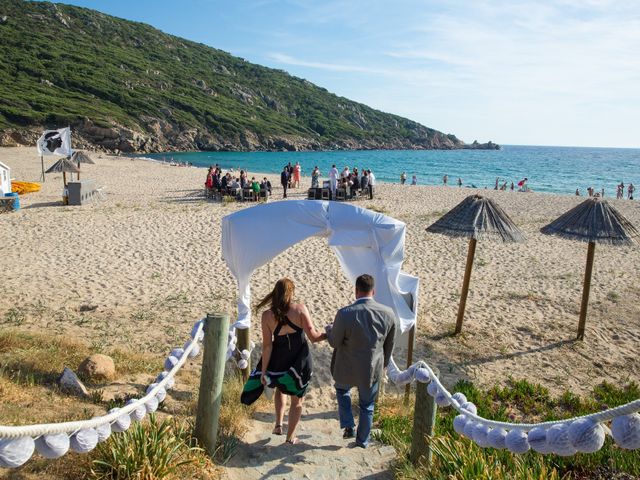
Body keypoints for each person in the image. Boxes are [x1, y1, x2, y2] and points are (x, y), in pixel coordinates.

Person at [241, 278, 326, 444]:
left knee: (281, 388)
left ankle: (278, 425)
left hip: (279, 360)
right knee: (297, 399)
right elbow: (313, 337)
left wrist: (264, 371)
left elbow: (267, 347)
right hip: (298, 360)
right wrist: (329, 334)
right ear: (291, 292)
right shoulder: (300, 310)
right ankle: (290, 437)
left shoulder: (267, 316)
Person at [326, 274, 396, 448]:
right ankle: (362, 440)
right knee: (367, 405)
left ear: (356, 291)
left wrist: (329, 330)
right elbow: (389, 345)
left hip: (346, 368)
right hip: (371, 369)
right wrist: (384, 365)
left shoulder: (344, 314)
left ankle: (348, 425)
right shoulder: (388, 314)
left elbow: (334, 342)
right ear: (373, 291)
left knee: (342, 390)